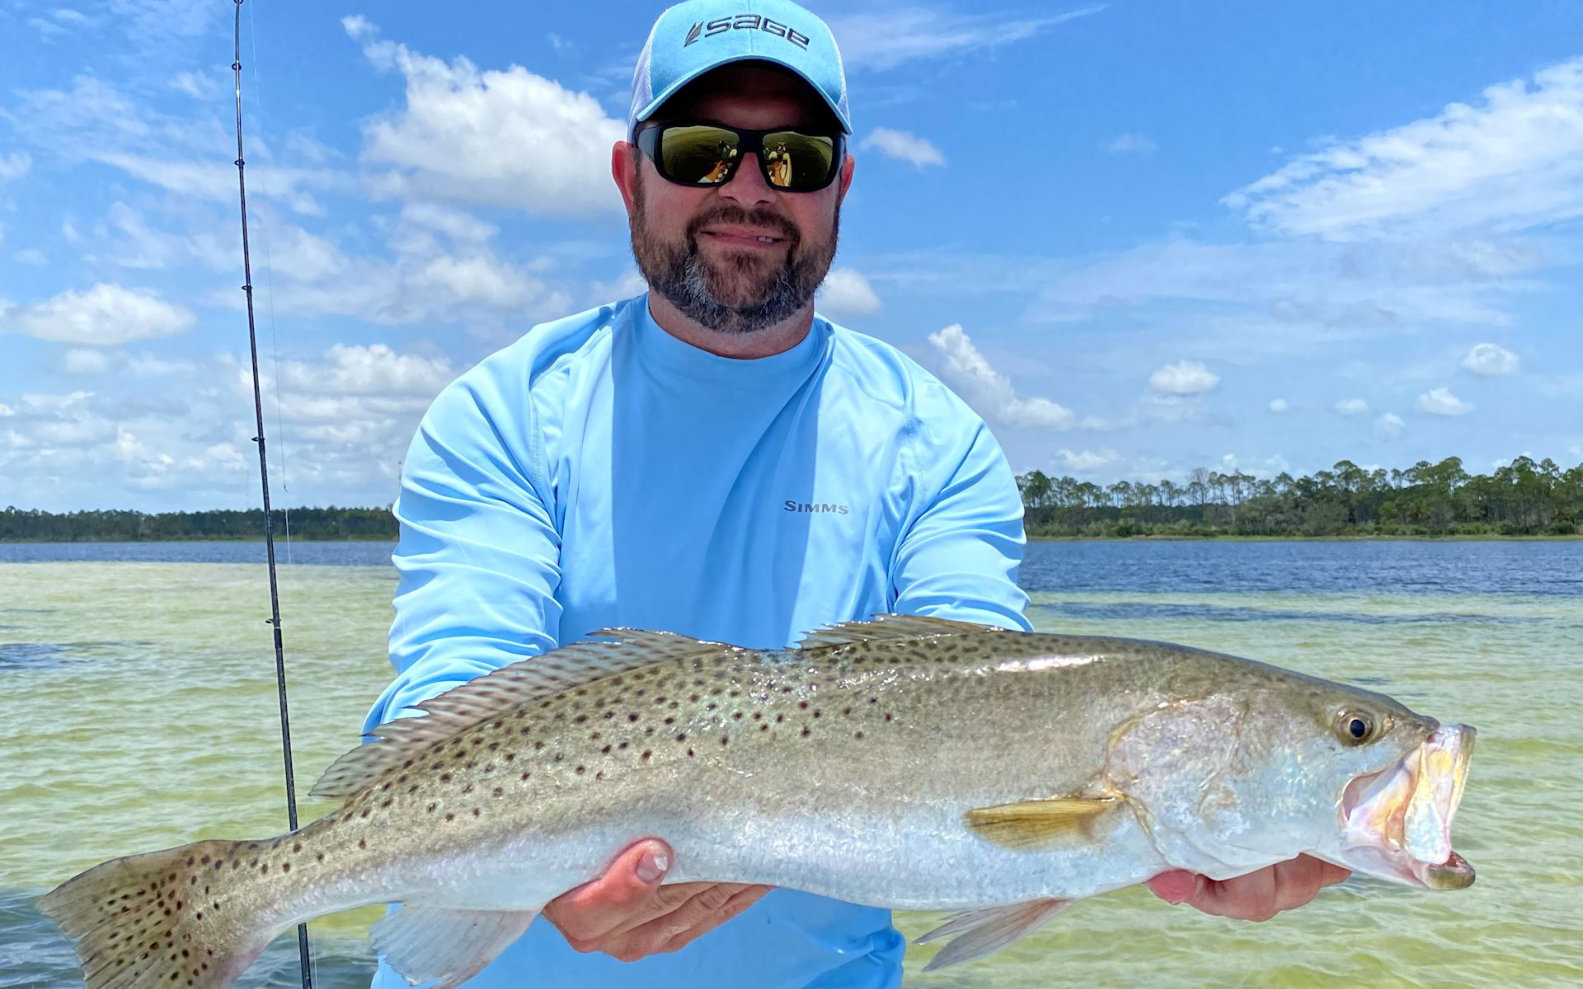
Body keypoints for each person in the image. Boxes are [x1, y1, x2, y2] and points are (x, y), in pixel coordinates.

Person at [364, 1, 1349, 986]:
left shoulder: (938, 443)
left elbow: (978, 693)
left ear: (839, 186)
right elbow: (453, 686)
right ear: (629, 176)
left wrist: (1251, 816)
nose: (746, 187)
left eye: (790, 157)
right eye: (700, 149)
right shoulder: (500, 412)